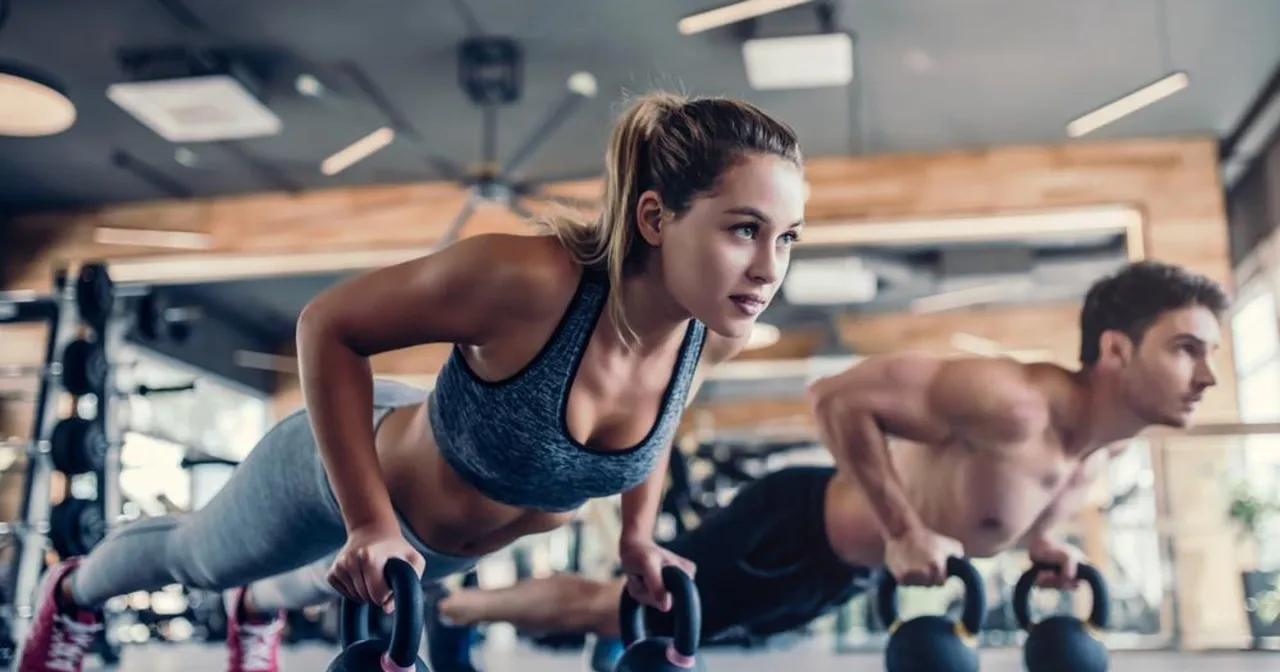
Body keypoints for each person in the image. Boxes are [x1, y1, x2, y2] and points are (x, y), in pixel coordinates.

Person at [16, 91, 808, 672]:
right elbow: (329, 325)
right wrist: (367, 521)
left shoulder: (707, 336)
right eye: (744, 229)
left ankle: (254, 614)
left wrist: (639, 536)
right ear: (654, 219)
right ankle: (75, 590)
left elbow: (655, 429)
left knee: (314, 583)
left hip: (432, 548)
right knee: (202, 558)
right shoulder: (527, 281)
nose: (770, 268)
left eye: (789, 239)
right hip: (343, 475)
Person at [422, 260, 1227, 672]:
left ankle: (494, 616)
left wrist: (1045, 543)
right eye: (1187, 349)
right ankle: (457, 613)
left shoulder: (1102, 445)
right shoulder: (1010, 398)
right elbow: (836, 396)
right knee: (612, 609)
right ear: (1117, 350)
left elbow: (1015, 494)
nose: (1208, 376)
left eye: (1213, 354)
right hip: (793, 529)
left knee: (643, 621)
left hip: (830, 572)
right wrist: (905, 529)